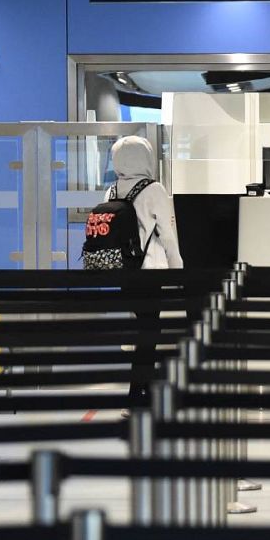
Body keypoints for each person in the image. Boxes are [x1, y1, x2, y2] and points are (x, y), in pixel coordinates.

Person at [107, 135, 182, 409]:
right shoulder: (154, 190)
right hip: (150, 271)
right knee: (150, 330)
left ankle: (139, 389)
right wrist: (178, 270)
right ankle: (140, 392)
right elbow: (168, 235)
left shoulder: (113, 190)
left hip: (124, 271)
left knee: (142, 329)